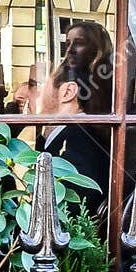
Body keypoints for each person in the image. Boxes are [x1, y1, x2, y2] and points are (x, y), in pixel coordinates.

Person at [32, 55, 110, 219]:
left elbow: (72, 212)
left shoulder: (78, 142)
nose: (30, 93)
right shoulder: (74, 135)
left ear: (67, 92)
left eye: (38, 86)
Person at [62, 20, 115, 115]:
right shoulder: (64, 78)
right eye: (68, 44)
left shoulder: (108, 80)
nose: (70, 50)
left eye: (79, 43)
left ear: (96, 47)